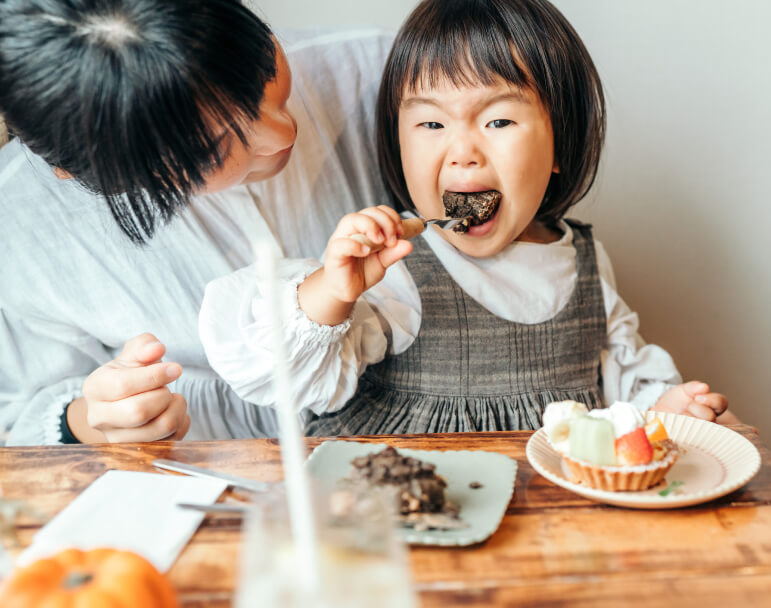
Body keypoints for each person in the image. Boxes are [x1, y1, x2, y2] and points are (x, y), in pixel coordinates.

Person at [200, 0, 729, 435]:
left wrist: (665, 412)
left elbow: (626, 388)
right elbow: (294, 379)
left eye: (498, 119)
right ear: (398, 143)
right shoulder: (400, 270)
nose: (461, 152)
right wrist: (334, 291)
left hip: (548, 522)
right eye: (430, 123)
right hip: (407, 512)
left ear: (560, 143)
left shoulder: (586, 263)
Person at [0, 0, 392, 444]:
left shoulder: (377, 68)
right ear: (107, 176)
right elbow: (15, 420)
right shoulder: (15, 223)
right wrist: (91, 420)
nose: (284, 132)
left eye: (264, 70)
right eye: (214, 149)